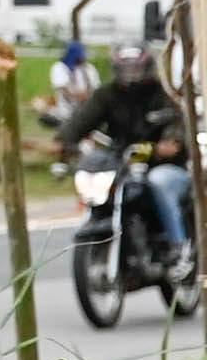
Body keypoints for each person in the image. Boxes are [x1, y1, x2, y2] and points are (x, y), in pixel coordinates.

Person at [61, 37, 193, 273]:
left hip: (162, 164)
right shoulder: (107, 95)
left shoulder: (162, 95)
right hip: (121, 161)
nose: (131, 74)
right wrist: (62, 141)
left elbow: (177, 126)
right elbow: (82, 120)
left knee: (158, 183)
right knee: (102, 181)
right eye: (126, 68)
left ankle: (178, 247)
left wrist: (169, 143)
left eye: (136, 68)